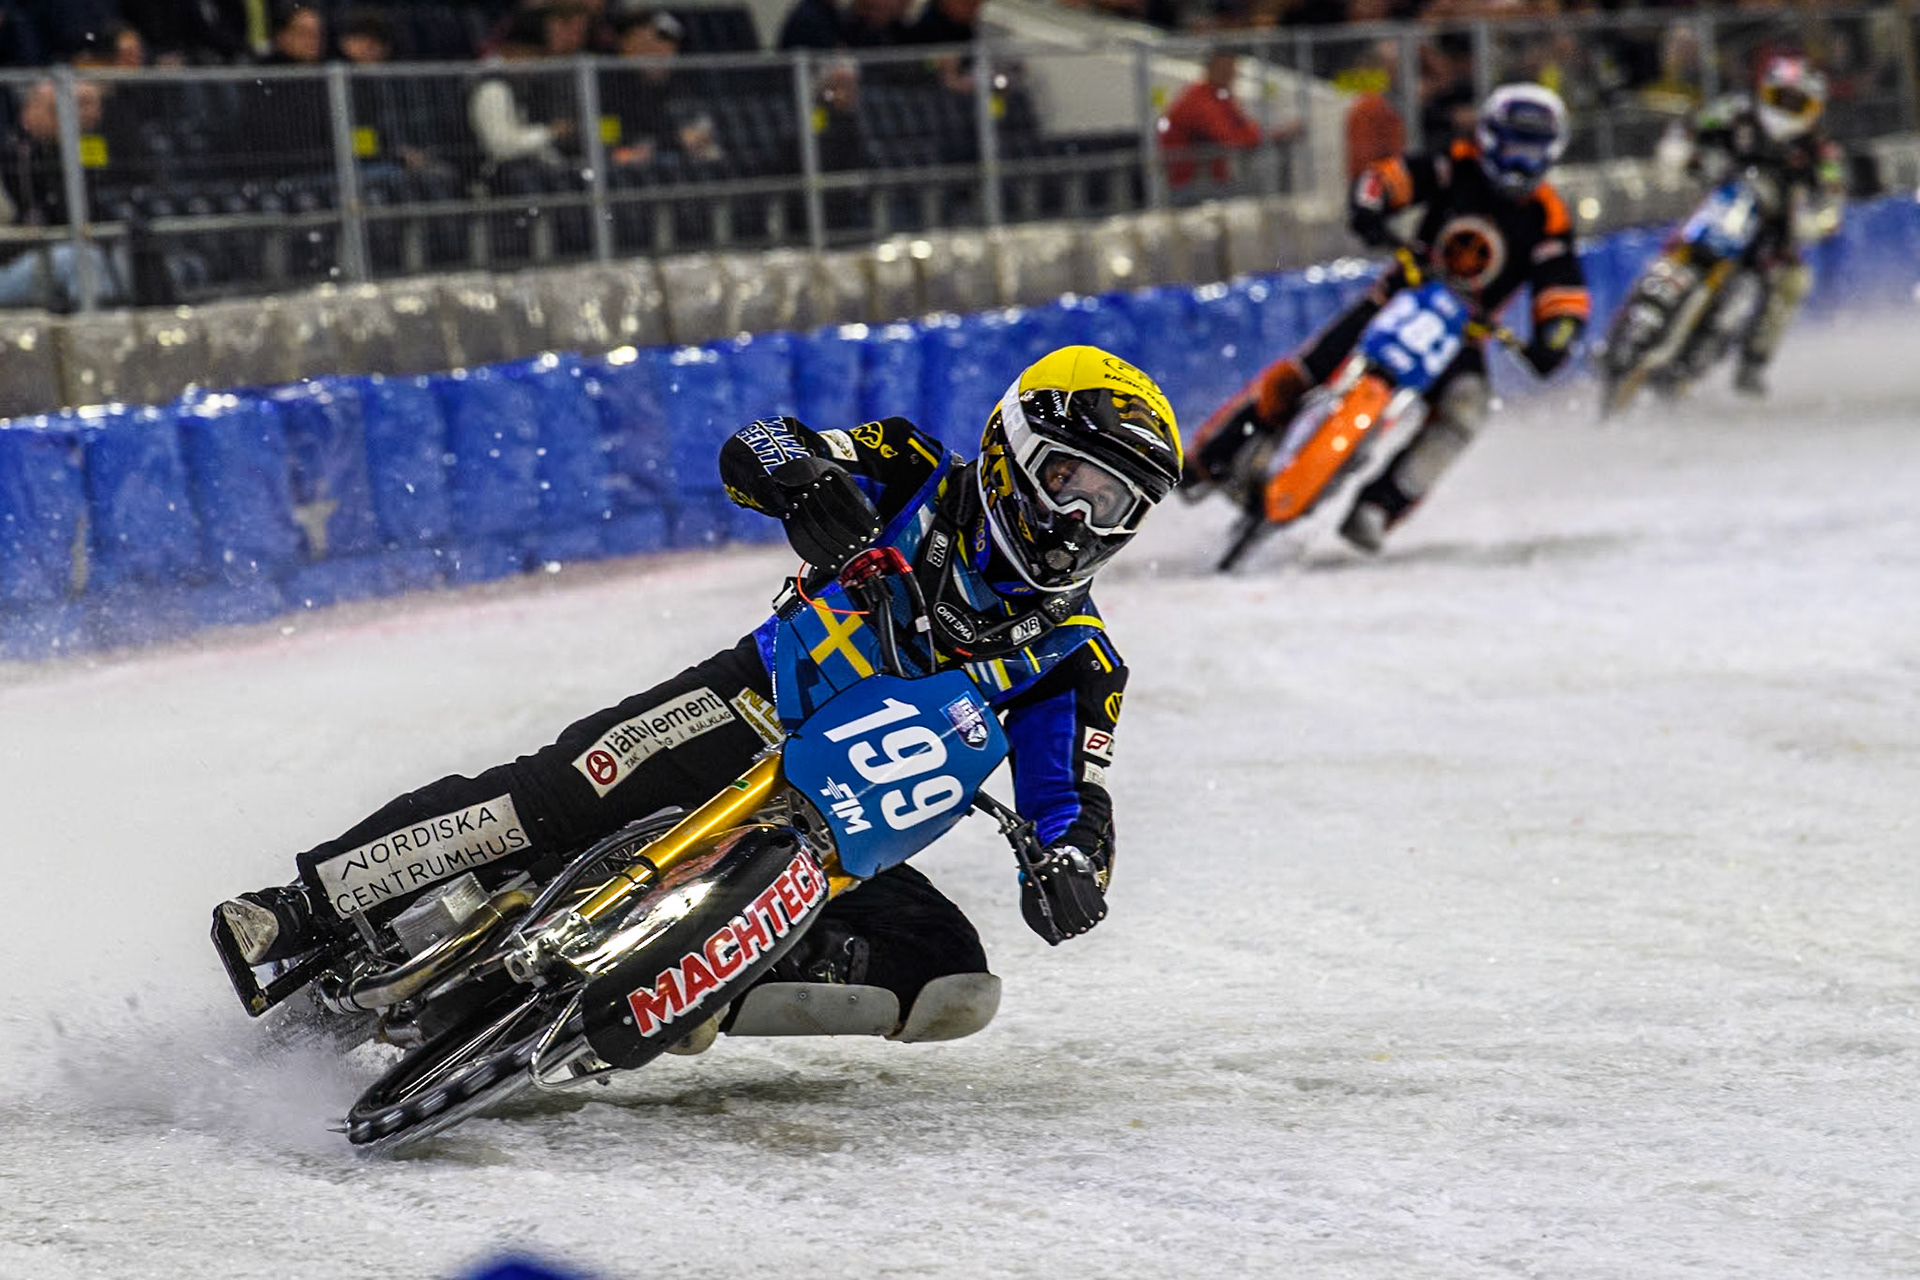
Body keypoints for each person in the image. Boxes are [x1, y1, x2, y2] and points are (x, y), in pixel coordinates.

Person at [215, 346, 1184, 1040]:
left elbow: (1069, 791)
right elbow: (762, 438)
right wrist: (803, 480)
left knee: (946, 974)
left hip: (843, 824)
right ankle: (306, 901)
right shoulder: (913, 466)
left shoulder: (1078, 654)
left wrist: (1070, 864)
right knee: (555, 793)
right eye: (1071, 480)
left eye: (1113, 504)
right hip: (750, 706)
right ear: (1016, 447)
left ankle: (701, 983)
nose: (1078, 518)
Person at [1183, 84, 1591, 554]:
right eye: (1512, 147)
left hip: (1463, 334)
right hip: (1399, 295)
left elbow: (1564, 292)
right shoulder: (1452, 166)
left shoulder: (1548, 217)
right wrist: (1371, 210)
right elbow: (1385, 180)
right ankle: (1210, 457)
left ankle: (1379, 507)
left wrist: (1555, 339)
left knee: (1466, 410)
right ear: (1489, 138)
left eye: (1531, 152)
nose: (1518, 163)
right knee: (1306, 371)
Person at [1681, 54, 1844, 397]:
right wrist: (1684, 154)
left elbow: (1831, 196)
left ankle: (1753, 361)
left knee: (1794, 281)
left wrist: (1817, 221)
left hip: (1775, 232)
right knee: (1679, 243)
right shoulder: (1736, 112)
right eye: (1779, 97)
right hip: (1721, 207)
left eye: (1795, 101)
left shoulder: (1820, 149)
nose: (1785, 107)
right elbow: (1691, 130)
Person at [1158, 48, 1298, 196]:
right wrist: (1274, 135)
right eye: (1224, 69)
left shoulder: (1221, 96)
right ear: (1210, 69)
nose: (1230, 75)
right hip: (1188, 185)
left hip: (1211, 182)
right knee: (1257, 191)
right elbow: (1231, 140)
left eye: (1232, 70)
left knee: (1259, 184)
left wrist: (1271, 134)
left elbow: (1245, 128)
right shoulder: (1198, 99)